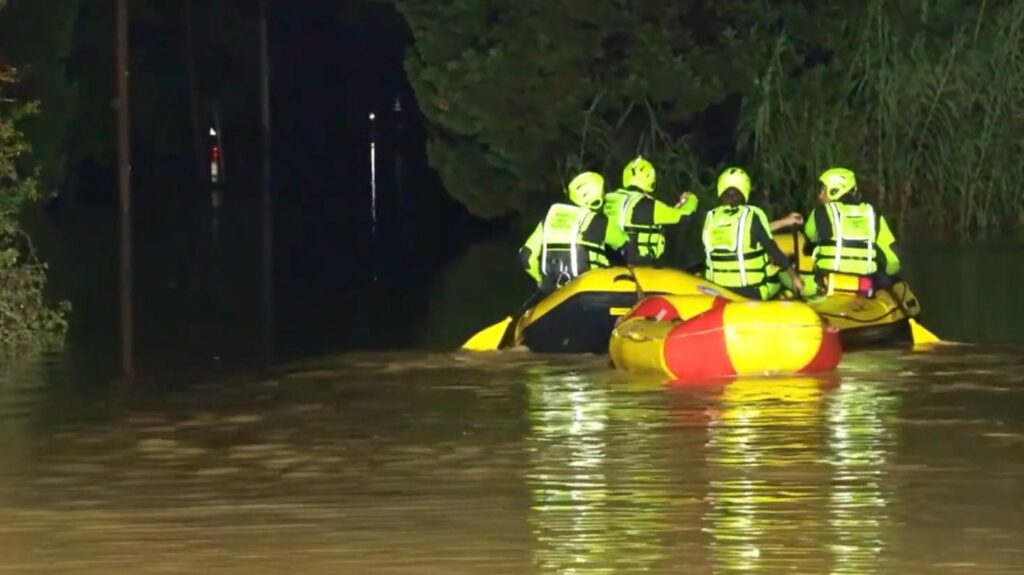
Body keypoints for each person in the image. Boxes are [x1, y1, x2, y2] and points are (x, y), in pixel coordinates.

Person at [701, 167, 805, 300]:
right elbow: (774, 252)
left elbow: (751, 232)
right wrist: (794, 276)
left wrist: (785, 221)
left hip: (717, 289)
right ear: (745, 189)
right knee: (779, 275)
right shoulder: (752, 215)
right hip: (750, 291)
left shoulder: (710, 217)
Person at [519, 171, 628, 293]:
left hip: (553, 292)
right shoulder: (598, 221)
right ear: (594, 198)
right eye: (602, 192)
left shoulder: (549, 218)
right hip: (591, 289)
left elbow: (526, 256)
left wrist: (541, 281)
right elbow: (624, 244)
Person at [804, 167, 901, 295]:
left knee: (800, 283)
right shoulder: (874, 216)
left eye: (823, 190)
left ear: (834, 190)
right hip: (865, 287)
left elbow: (809, 234)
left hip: (828, 285)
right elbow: (894, 261)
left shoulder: (819, 214)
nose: (820, 195)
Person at [602, 156, 699, 265]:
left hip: (610, 267)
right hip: (640, 268)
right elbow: (684, 216)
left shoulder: (609, 201)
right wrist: (691, 199)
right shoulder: (647, 205)